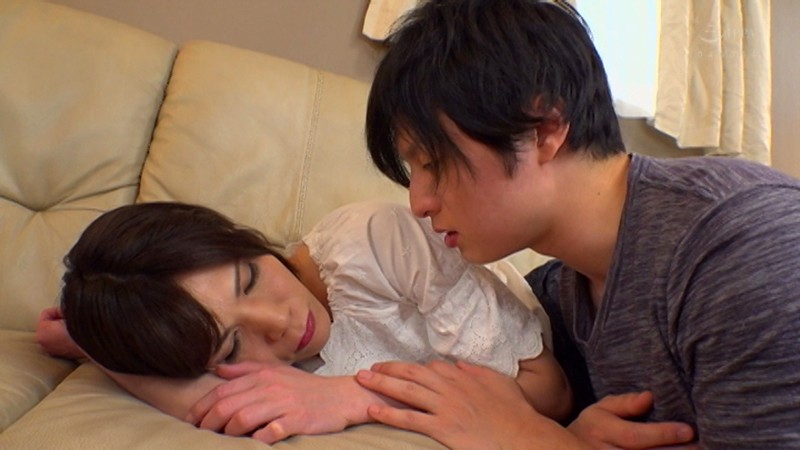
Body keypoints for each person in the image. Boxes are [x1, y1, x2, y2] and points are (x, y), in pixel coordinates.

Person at [355, 0, 800, 449]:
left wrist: (530, 439)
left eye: (434, 162)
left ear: (544, 130)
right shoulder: (553, 297)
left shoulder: (745, 242)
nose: (419, 203)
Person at [37, 200, 572, 444]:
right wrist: (101, 346)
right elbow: (206, 405)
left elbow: (549, 395)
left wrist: (351, 395)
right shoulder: (245, 369)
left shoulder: (377, 242)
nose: (280, 323)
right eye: (231, 347)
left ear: (239, 241)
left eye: (249, 279)